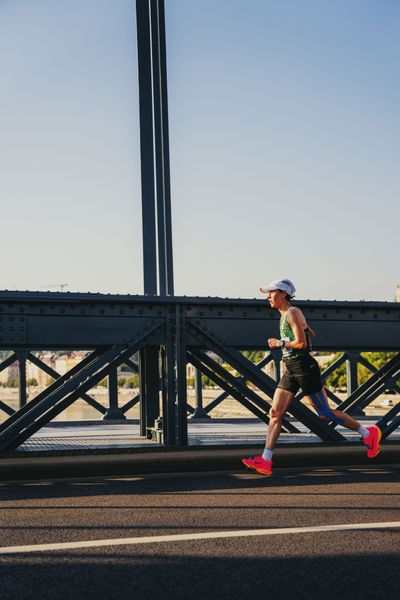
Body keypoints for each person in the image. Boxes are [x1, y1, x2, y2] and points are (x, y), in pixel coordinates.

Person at [242, 278, 382, 476]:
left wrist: (280, 343)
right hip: (291, 369)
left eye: (271, 292)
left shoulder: (293, 312)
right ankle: (265, 460)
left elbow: (302, 344)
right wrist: (303, 331)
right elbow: (309, 334)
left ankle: (368, 433)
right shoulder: (286, 315)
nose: (268, 297)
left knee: (324, 413)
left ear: (283, 293)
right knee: (275, 413)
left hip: (305, 368)